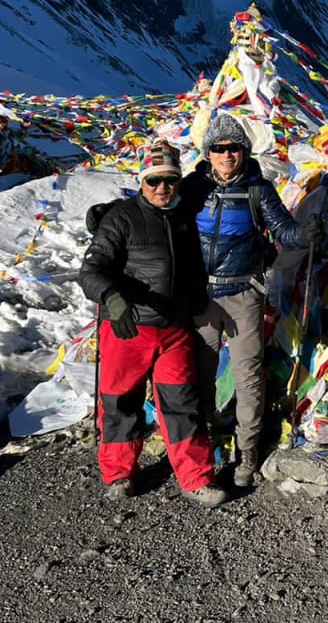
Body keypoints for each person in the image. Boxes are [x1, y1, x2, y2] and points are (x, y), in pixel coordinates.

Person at [180, 112, 324, 488]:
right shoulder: (192, 188)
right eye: (219, 148)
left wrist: (305, 234)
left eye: (234, 148)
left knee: (248, 378)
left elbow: (284, 231)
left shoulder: (259, 190)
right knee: (200, 374)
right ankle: (208, 441)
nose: (227, 155)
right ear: (207, 152)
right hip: (202, 296)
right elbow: (158, 219)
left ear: (244, 151)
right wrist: (113, 221)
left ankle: (247, 453)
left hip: (245, 294)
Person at [79, 141, 225, 507]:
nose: (162, 188)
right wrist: (112, 297)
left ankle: (196, 478)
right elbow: (92, 270)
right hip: (128, 328)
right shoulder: (122, 218)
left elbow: (207, 176)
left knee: (183, 405)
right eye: (154, 180)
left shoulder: (183, 212)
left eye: (170, 180)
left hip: (174, 330)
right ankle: (119, 474)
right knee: (119, 402)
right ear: (141, 182)